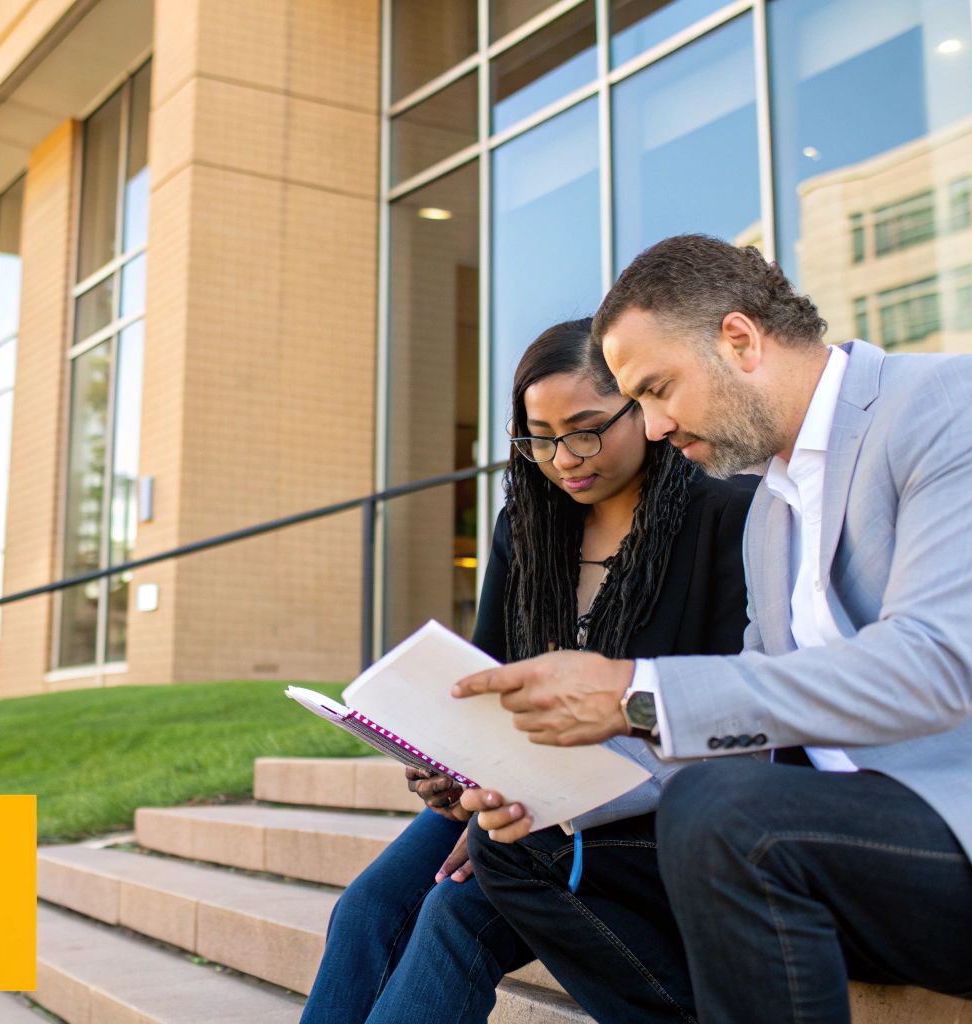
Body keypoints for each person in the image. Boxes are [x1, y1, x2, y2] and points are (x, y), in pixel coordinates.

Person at [455, 234, 972, 1024]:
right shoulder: (772, 511)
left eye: (658, 389)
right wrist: (556, 792)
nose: (654, 427)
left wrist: (633, 690)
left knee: (728, 815)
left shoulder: (960, 406)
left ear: (739, 340)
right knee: (524, 848)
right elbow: (744, 737)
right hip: (852, 853)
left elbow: (932, 668)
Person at [299, 319, 754, 1024]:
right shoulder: (527, 527)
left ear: (641, 408)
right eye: (539, 438)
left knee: (455, 907)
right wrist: (449, 774)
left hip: (648, 801)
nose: (563, 459)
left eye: (586, 430)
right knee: (370, 907)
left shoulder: (723, 514)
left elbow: (726, 701)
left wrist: (505, 826)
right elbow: (484, 677)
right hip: (519, 791)